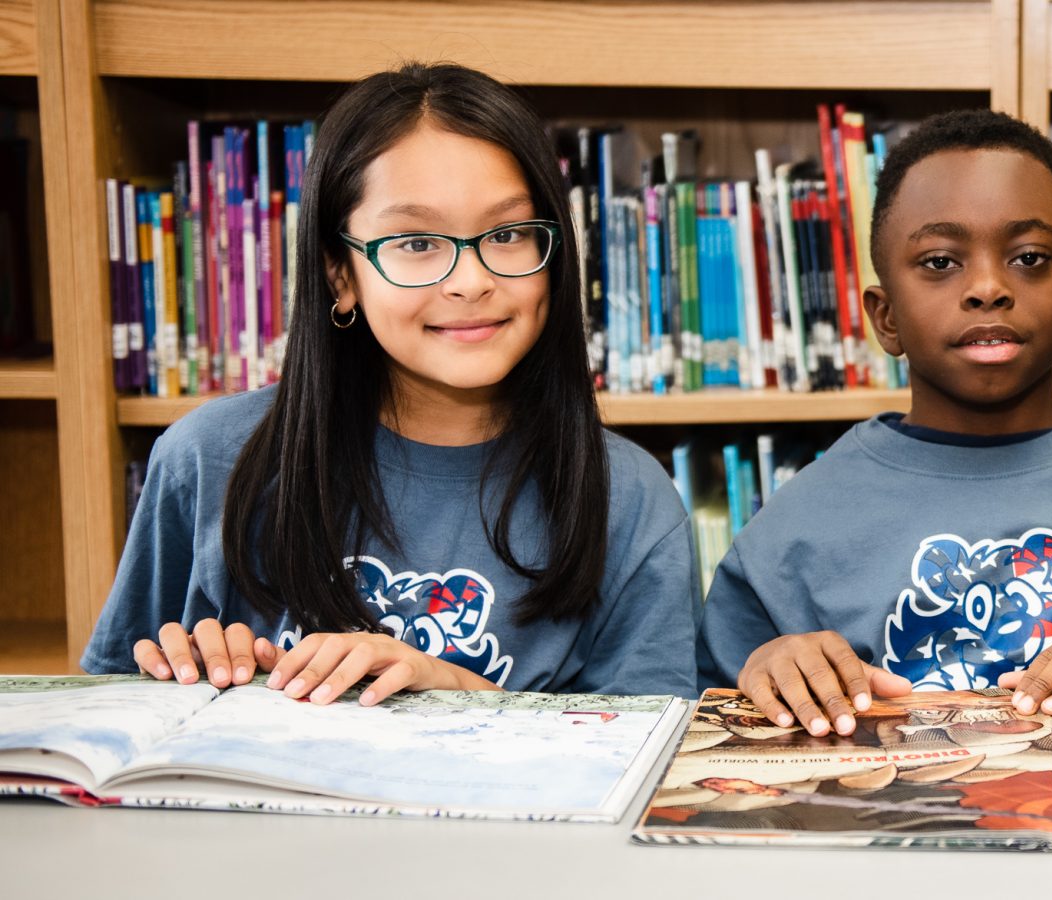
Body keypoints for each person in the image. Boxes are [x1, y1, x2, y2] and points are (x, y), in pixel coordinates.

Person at [81, 63, 699, 704]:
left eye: (509, 234)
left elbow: (648, 765)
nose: (469, 280)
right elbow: (113, 729)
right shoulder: (206, 459)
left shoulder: (629, 500)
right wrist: (194, 681)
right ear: (340, 276)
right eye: (416, 242)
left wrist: (454, 689)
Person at [698, 110, 1052, 737]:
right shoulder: (791, 531)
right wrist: (767, 670)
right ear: (884, 317)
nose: (987, 288)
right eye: (941, 262)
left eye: (1028, 258)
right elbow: (707, 732)